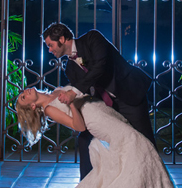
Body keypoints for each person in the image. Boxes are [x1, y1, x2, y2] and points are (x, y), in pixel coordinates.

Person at [15, 85, 182, 188]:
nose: (26, 92)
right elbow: (79, 126)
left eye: (23, 93)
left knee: (134, 149)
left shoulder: (56, 91)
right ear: (32, 105)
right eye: (24, 97)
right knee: (138, 143)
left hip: (104, 112)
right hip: (97, 121)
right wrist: (72, 103)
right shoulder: (50, 109)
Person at [42, 22, 156, 179]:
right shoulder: (69, 68)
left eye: (50, 45)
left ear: (61, 39)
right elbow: (85, 91)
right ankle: (87, 187)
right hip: (107, 106)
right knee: (84, 140)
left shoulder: (92, 38)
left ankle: (156, 182)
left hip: (129, 96)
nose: (49, 50)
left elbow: (99, 67)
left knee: (146, 143)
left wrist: (73, 93)